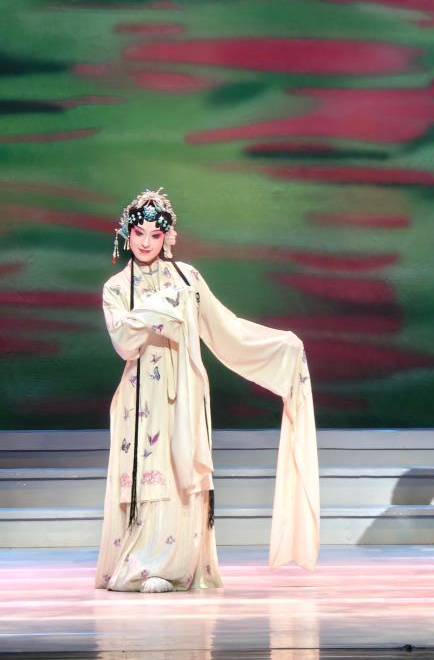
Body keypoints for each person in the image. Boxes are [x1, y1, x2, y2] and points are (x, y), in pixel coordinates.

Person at [95, 188, 319, 592]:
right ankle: (145, 565)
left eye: (155, 235)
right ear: (126, 234)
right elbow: (124, 341)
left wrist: (281, 346)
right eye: (139, 233)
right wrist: (163, 307)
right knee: (150, 473)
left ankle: (181, 565)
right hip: (140, 398)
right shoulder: (116, 288)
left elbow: (225, 329)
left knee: (183, 472)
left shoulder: (188, 278)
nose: (146, 243)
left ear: (167, 237)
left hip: (186, 390)